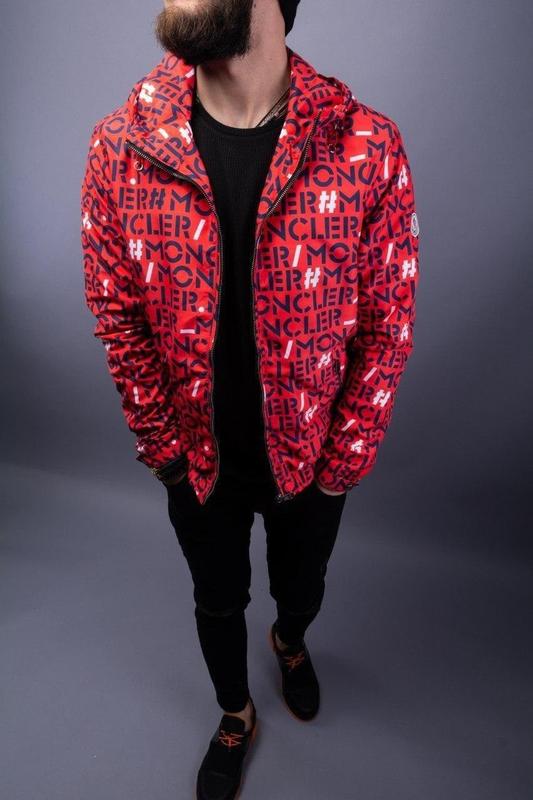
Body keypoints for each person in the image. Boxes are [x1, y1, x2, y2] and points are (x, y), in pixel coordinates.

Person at [80, 0, 420, 796]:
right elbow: (116, 311)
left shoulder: (364, 146)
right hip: (196, 458)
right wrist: (164, 450)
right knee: (215, 598)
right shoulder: (122, 144)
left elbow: (387, 324)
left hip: (312, 456)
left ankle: (291, 641)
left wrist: (341, 465)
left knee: (301, 588)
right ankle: (235, 713)